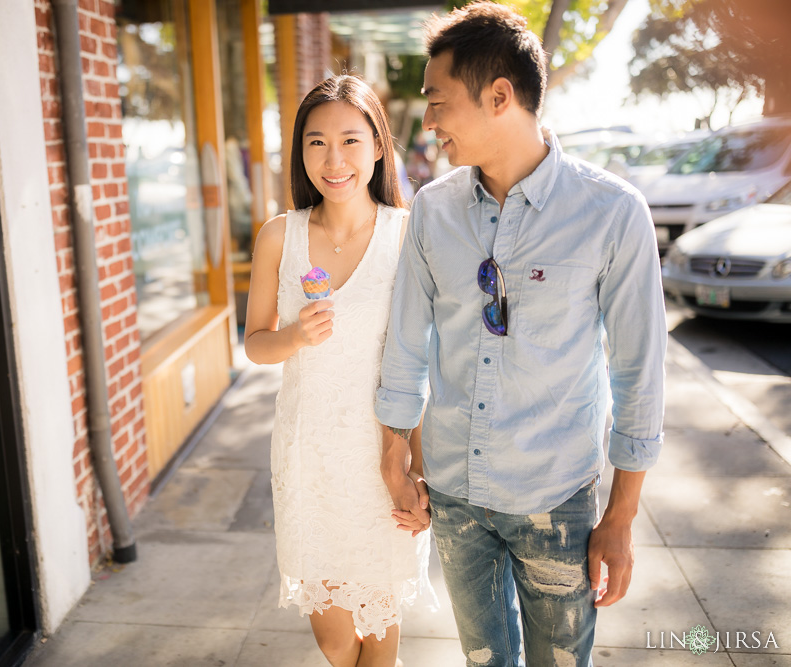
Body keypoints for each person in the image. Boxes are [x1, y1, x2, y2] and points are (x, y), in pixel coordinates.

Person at [375, 3, 667, 666]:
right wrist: (394, 453)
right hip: (453, 493)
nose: (431, 121)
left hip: (554, 497)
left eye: (439, 101)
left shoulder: (613, 215)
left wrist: (619, 517)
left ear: (499, 96)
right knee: (484, 660)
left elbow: (639, 376)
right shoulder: (432, 211)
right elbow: (405, 346)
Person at [245, 75, 434, 667]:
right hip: (310, 463)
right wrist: (295, 336)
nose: (334, 159)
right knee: (335, 640)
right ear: (300, 152)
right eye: (316, 142)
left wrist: (420, 470)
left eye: (351, 140)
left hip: (383, 458)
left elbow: (423, 365)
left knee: (380, 634)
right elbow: (254, 343)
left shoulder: (407, 235)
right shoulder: (281, 235)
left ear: (378, 147)